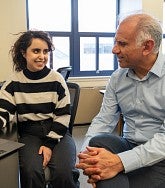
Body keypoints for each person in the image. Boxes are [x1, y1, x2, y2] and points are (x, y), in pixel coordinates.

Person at [76, 13, 165, 188]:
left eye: (122, 44)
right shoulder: (118, 78)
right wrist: (86, 154)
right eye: (115, 42)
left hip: (159, 154)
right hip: (128, 144)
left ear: (147, 47)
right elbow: (104, 118)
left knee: (108, 177)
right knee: (97, 143)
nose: (114, 50)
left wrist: (118, 162)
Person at [0, 30, 79, 188]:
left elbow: (63, 116)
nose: (42, 56)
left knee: (63, 173)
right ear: (24, 53)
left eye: (45, 51)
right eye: (36, 51)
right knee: (31, 172)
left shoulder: (57, 80)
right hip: (29, 133)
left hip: (58, 131)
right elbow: (3, 113)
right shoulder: (13, 83)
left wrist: (49, 144)